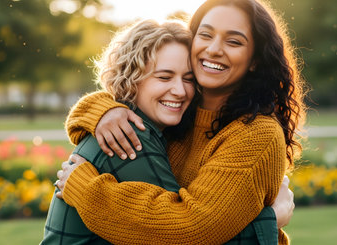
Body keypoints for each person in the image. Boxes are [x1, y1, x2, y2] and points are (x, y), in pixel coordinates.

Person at [56, 0, 305, 244]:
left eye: (233, 41)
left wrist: (85, 189)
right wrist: (102, 109)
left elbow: (190, 229)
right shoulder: (181, 114)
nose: (214, 49)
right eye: (206, 35)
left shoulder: (256, 133)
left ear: (255, 61)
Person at [41, 19, 196, 244]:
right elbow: (179, 232)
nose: (180, 90)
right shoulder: (131, 135)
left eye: (189, 79)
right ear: (132, 78)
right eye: (164, 77)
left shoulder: (133, 125)